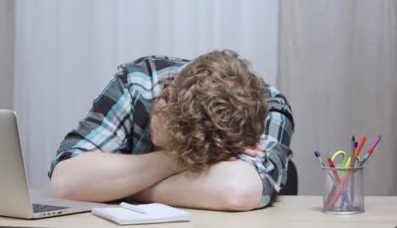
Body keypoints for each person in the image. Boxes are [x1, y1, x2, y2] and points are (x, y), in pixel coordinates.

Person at [48, 50, 294, 211]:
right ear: (167, 91)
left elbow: (237, 190)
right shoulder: (140, 82)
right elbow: (65, 181)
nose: (158, 118)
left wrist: (117, 189)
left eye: (182, 145)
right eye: (165, 112)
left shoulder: (265, 109)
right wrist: (177, 161)